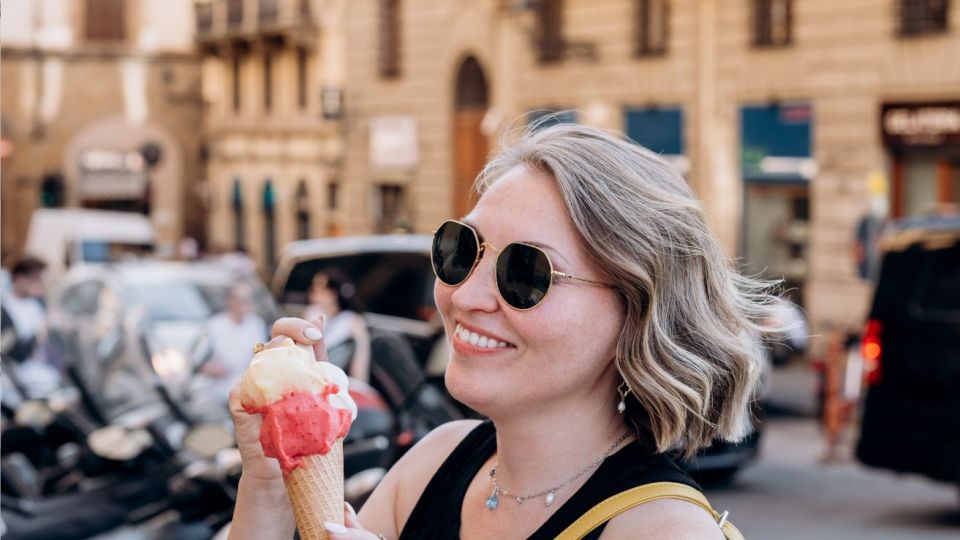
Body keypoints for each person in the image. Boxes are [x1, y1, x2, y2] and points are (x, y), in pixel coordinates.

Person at [228, 122, 777, 539]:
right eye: (461, 250)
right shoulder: (434, 461)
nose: (464, 296)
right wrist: (273, 484)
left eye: (525, 273)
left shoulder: (664, 529)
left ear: (637, 311)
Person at [202, 281, 268, 401]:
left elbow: (260, 352)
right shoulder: (214, 326)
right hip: (219, 393)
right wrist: (211, 369)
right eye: (242, 300)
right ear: (230, 301)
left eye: (249, 300)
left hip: (248, 391)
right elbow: (199, 362)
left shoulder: (256, 324)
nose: (246, 305)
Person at [302, 270, 371, 382]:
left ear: (332, 294)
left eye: (318, 289)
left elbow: (361, 358)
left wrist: (359, 383)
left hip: (335, 378)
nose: (312, 293)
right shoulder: (311, 313)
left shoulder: (352, 320)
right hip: (310, 374)